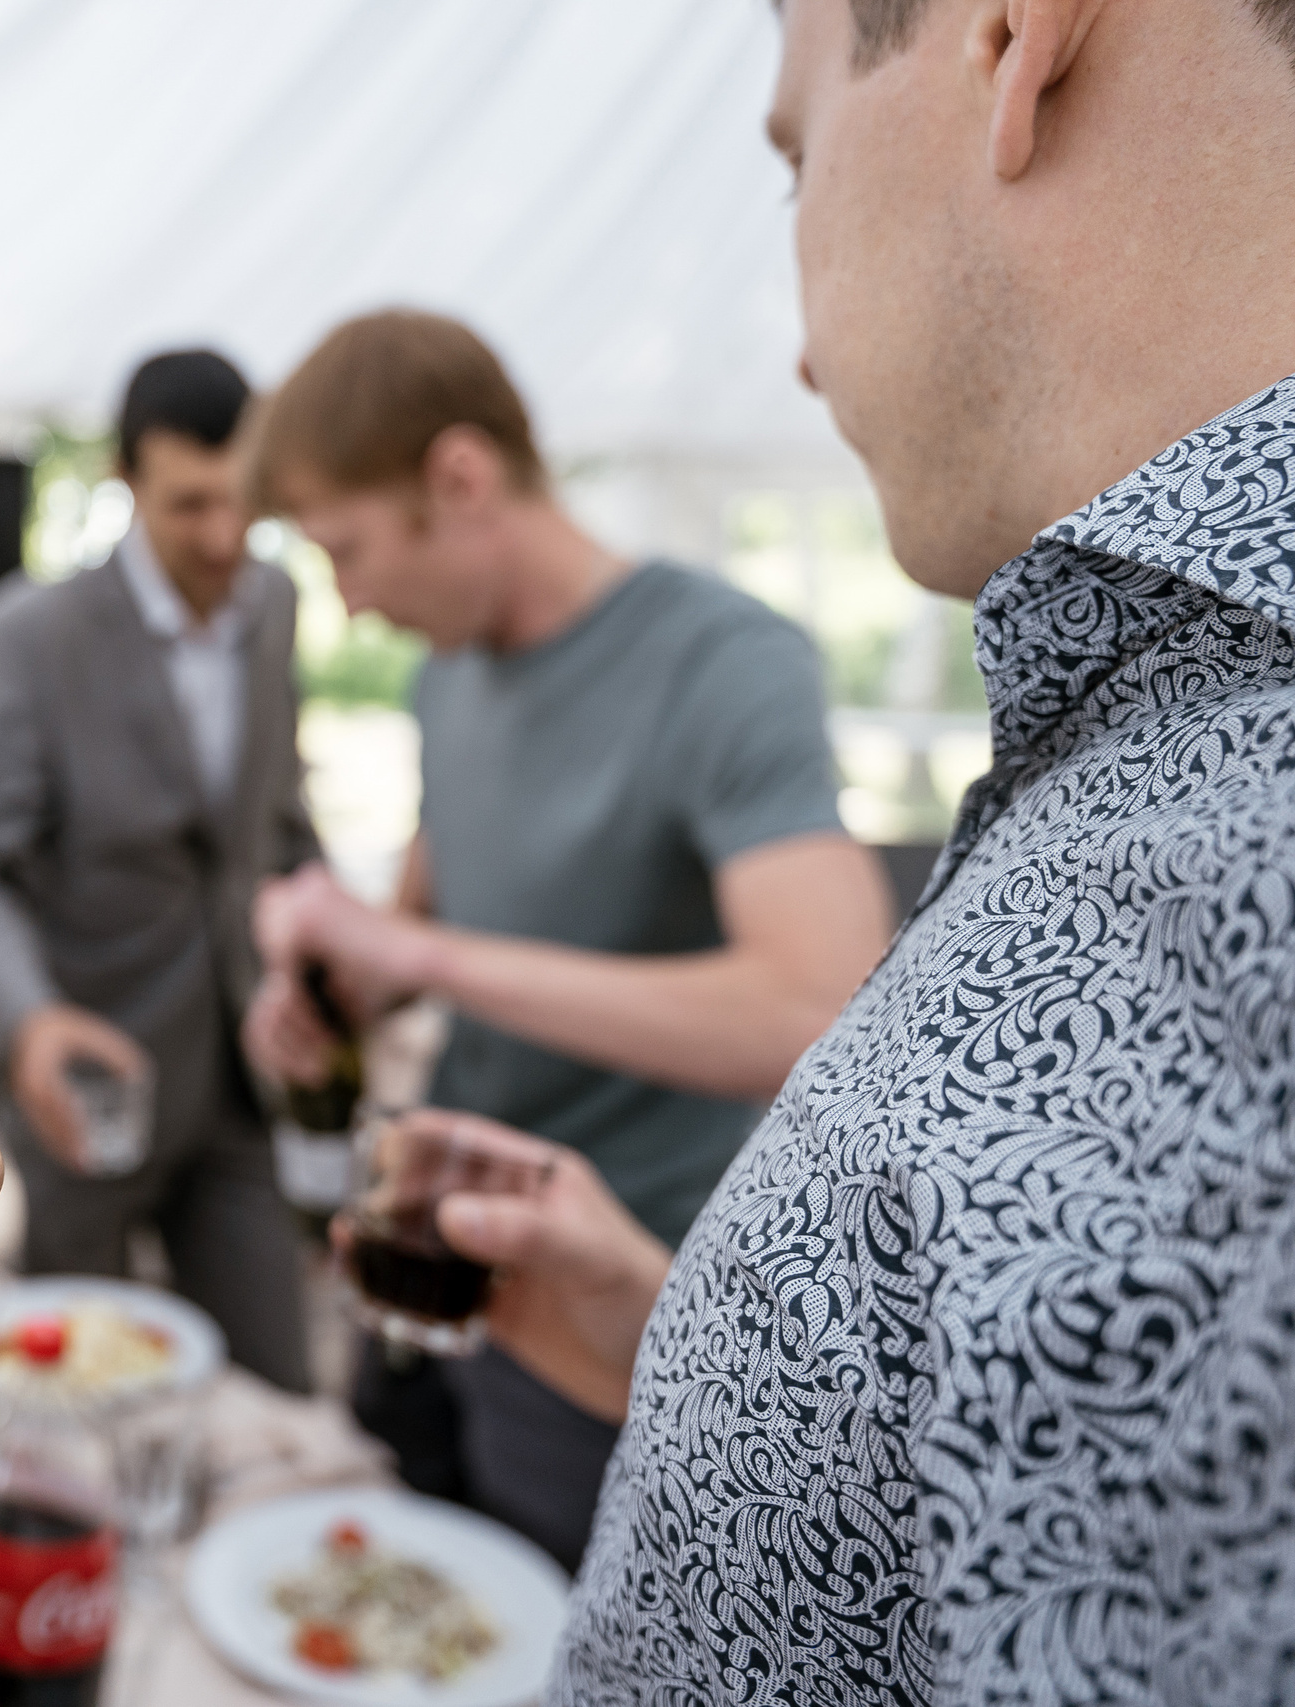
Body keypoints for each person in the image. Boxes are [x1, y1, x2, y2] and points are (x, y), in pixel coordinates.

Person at [415, 1, 1295, 1700]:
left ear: (1012, 39)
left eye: (799, 152)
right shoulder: (1166, 751)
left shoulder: (1235, 887)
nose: (802, 347)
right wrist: (718, 1359)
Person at [237, 308, 893, 1566]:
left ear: (461, 479)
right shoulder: (446, 677)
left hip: (614, 1300)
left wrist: (421, 964)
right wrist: (337, 993)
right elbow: (423, 926)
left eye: (347, 549)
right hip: (426, 1249)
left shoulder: (722, 663)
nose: (350, 599)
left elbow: (821, 1012)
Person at [0, 349, 320, 1392]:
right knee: (74, 1397)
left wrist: (323, 936)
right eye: (190, 505)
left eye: (243, 505)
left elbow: (278, 820)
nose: (222, 537)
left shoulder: (276, 605)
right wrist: (29, 1022)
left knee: (278, 1374)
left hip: (240, 1073)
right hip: (87, 1079)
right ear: (125, 479)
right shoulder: (27, 636)